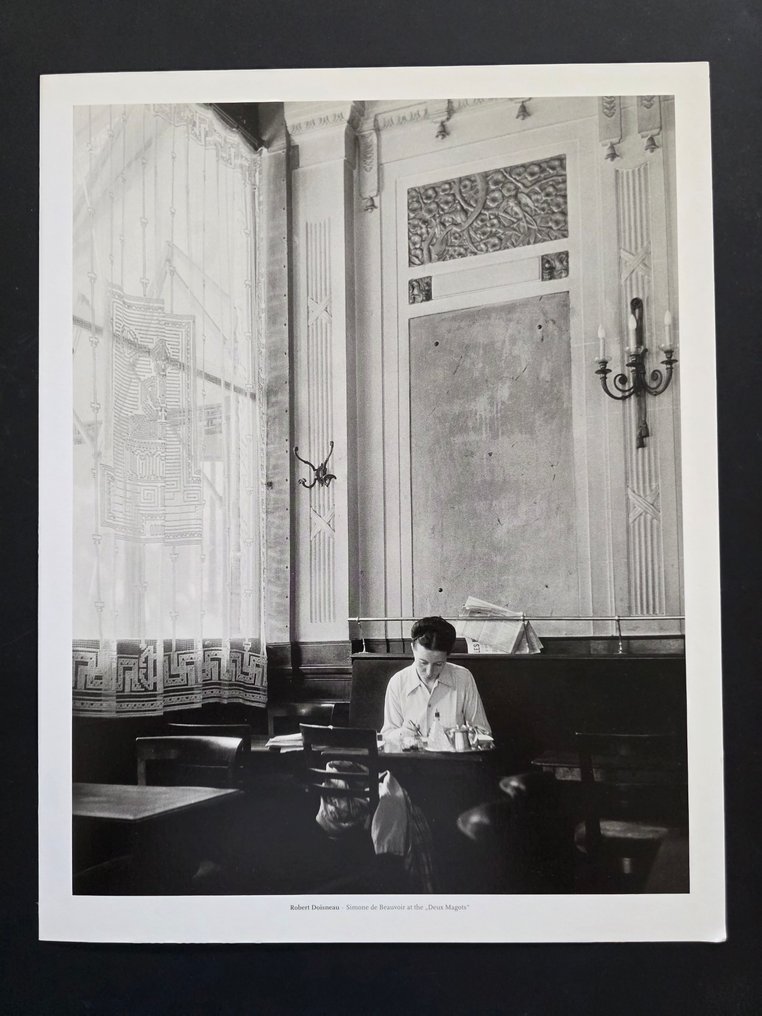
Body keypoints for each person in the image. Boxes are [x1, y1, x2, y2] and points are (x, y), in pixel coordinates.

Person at [382, 616, 491, 739]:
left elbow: (483, 733)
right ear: (413, 649)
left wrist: (464, 736)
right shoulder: (398, 682)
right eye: (423, 663)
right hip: (412, 757)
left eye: (438, 664)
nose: (429, 672)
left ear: (447, 656)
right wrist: (403, 733)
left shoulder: (463, 678)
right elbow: (387, 735)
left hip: (454, 757)